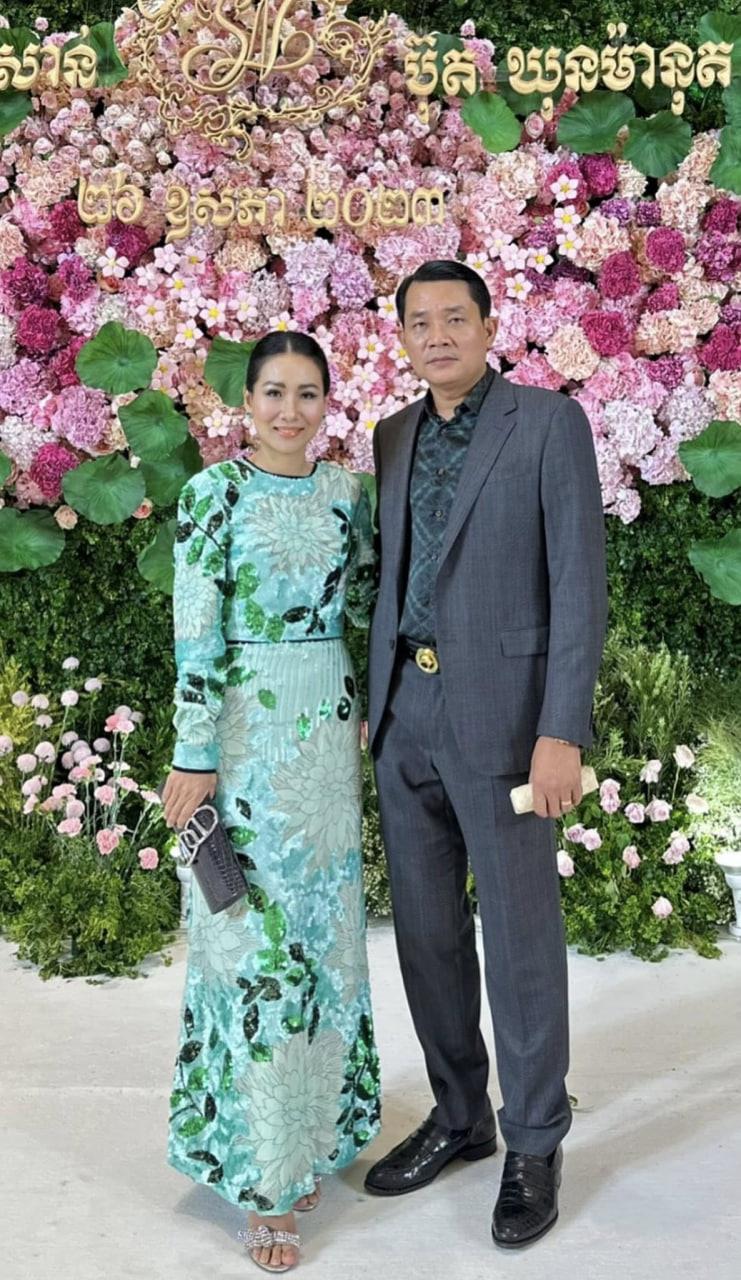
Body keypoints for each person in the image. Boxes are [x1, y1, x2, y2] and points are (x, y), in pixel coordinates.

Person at [364, 260, 607, 1248]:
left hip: (507, 721)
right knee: (424, 934)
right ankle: (461, 1115)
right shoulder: (391, 435)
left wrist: (561, 730)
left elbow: (578, 586)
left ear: (487, 324)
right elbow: (393, 573)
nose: (436, 335)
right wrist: (375, 703)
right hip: (405, 714)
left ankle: (534, 1139)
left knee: (517, 937)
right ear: (402, 338)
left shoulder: (547, 425)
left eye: (453, 318)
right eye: (418, 322)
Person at [163, 331, 380, 1275]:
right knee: (250, 946)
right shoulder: (211, 495)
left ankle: (312, 1134)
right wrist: (193, 751)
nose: (290, 411)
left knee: (325, 943)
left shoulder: (346, 494)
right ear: (244, 402)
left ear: (329, 402)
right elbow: (195, 628)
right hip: (244, 737)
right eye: (274, 393)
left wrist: (374, 706)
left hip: (325, 733)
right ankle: (263, 1176)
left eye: (307, 394)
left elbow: (367, 606)